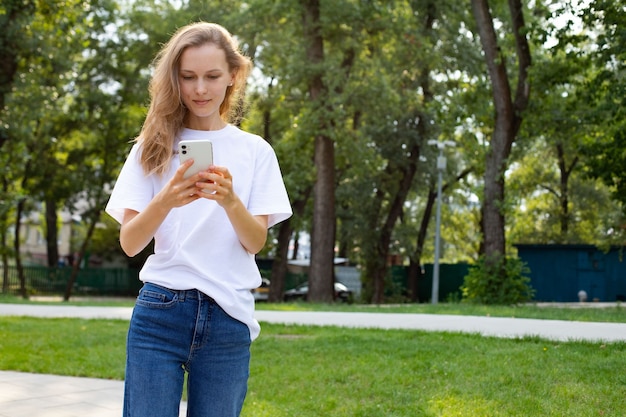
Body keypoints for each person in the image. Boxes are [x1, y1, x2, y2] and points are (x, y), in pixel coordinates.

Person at [105, 22, 292, 417]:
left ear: (233, 77)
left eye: (212, 76)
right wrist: (168, 200)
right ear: (175, 78)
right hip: (160, 311)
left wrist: (229, 201)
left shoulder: (255, 152)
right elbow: (130, 243)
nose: (200, 89)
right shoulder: (152, 147)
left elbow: (255, 242)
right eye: (188, 77)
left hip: (229, 316)